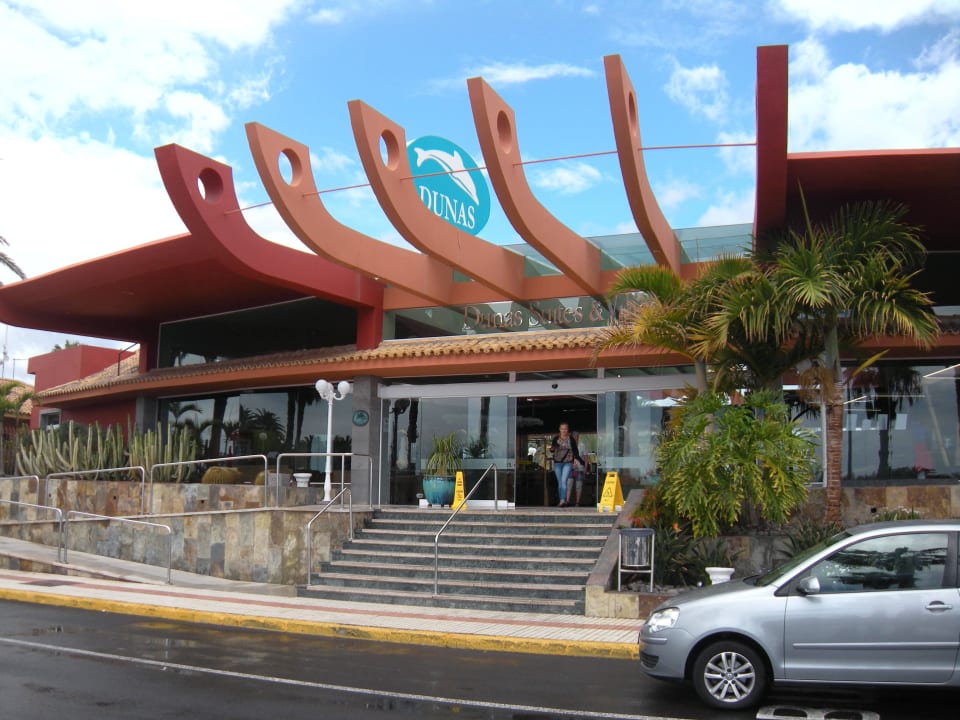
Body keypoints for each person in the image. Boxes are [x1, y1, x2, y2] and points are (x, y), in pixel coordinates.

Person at [550, 422, 583, 507]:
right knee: (560, 482)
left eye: (565, 429)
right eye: (562, 429)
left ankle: (562, 500)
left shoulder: (571, 439)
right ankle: (562, 499)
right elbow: (552, 450)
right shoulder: (556, 438)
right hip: (557, 462)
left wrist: (576, 460)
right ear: (559, 429)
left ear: (567, 430)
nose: (564, 430)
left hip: (568, 462)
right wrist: (552, 449)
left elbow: (575, 451)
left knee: (564, 480)